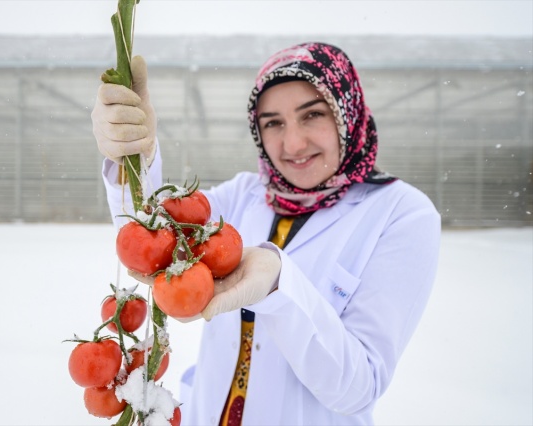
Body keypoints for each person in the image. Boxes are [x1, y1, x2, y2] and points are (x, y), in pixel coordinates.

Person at [92, 42, 440, 425]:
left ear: (347, 113)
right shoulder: (245, 195)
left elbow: (356, 387)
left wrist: (280, 284)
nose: (292, 144)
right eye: (273, 122)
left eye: (313, 115)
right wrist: (131, 156)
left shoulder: (400, 214)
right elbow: (148, 241)